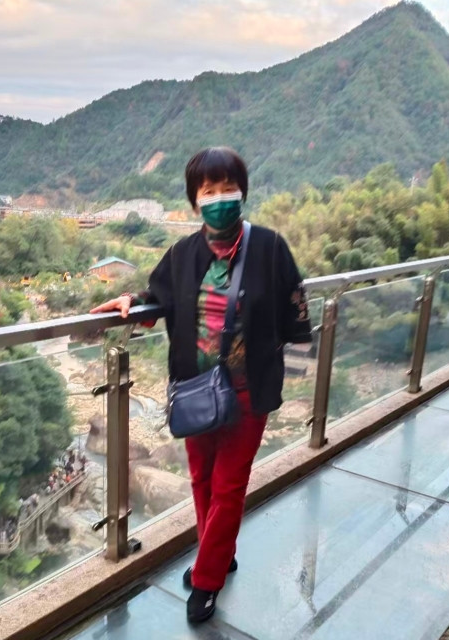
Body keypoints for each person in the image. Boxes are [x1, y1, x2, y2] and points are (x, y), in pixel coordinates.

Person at [91, 147, 311, 624]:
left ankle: (208, 579)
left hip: (249, 392)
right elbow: (156, 296)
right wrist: (128, 301)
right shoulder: (182, 255)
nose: (219, 198)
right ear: (195, 201)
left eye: (228, 188)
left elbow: (296, 308)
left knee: (229, 486)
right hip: (195, 389)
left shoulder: (270, 247)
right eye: (209, 191)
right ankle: (221, 550)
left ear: (242, 193)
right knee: (201, 479)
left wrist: (290, 379)